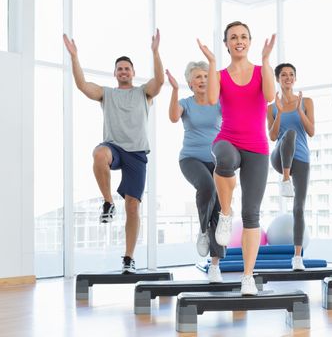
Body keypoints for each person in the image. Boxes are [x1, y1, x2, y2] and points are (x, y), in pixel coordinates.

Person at [63, 29, 164, 273]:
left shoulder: (144, 93)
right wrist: (74, 57)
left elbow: (159, 82)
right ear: (115, 73)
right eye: (119, 68)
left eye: (127, 68)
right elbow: (82, 85)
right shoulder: (106, 94)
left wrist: (155, 52)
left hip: (137, 154)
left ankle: (128, 258)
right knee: (99, 154)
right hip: (114, 148)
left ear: (133, 72)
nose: (123, 71)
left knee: (132, 206)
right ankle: (108, 202)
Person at [198, 21, 275, 295]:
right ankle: (225, 213)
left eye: (243, 36)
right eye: (233, 37)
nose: (238, 41)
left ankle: (247, 277)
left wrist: (266, 60)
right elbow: (209, 100)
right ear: (227, 43)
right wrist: (211, 62)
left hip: (257, 147)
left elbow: (269, 95)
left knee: (252, 214)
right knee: (224, 159)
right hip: (227, 140)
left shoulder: (259, 71)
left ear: (249, 41)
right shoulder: (219, 74)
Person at [166, 61, 225, 282]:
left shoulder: (218, 103)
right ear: (190, 83)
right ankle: (202, 231)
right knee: (207, 187)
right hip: (190, 158)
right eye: (198, 77)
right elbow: (173, 117)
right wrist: (173, 90)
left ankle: (215, 266)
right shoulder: (186, 104)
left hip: (217, 161)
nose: (202, 80)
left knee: (219, 210)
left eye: (206, 77)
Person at [267, 63, 315, 271]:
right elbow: (272, 136)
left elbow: (311, 131)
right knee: (290, 135)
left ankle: (297, 257)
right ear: (278, 79)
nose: (288, 78)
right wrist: (278, 113)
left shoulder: (306, 102)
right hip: (279, 158)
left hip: (302, 158)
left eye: (291, 75)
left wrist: (299, 111)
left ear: (295, 78)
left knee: (298, 209)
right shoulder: (271, 106)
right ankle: (285, 179)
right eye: (284, 75)